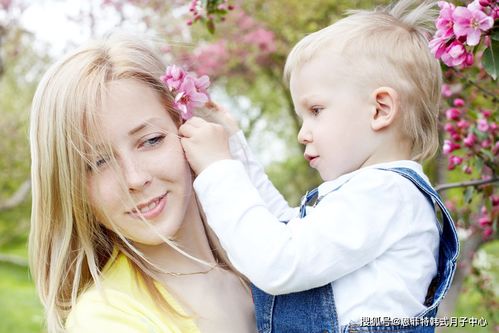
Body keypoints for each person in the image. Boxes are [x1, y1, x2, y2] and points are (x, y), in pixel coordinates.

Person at [179, 0, 459, 332]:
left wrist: (217, 170)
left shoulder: (386, 194)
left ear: (380, 110)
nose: (302, 133)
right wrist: (233, 147)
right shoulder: (367, 195)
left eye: (315, 110)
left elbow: (277, 260)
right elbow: (281, 229)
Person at [28, 34, 257, 333]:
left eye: (151, 140)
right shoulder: (105, 319)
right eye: (98, 163)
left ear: (186, 126)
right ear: (71, 189)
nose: (135, 179)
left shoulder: (269, 258)